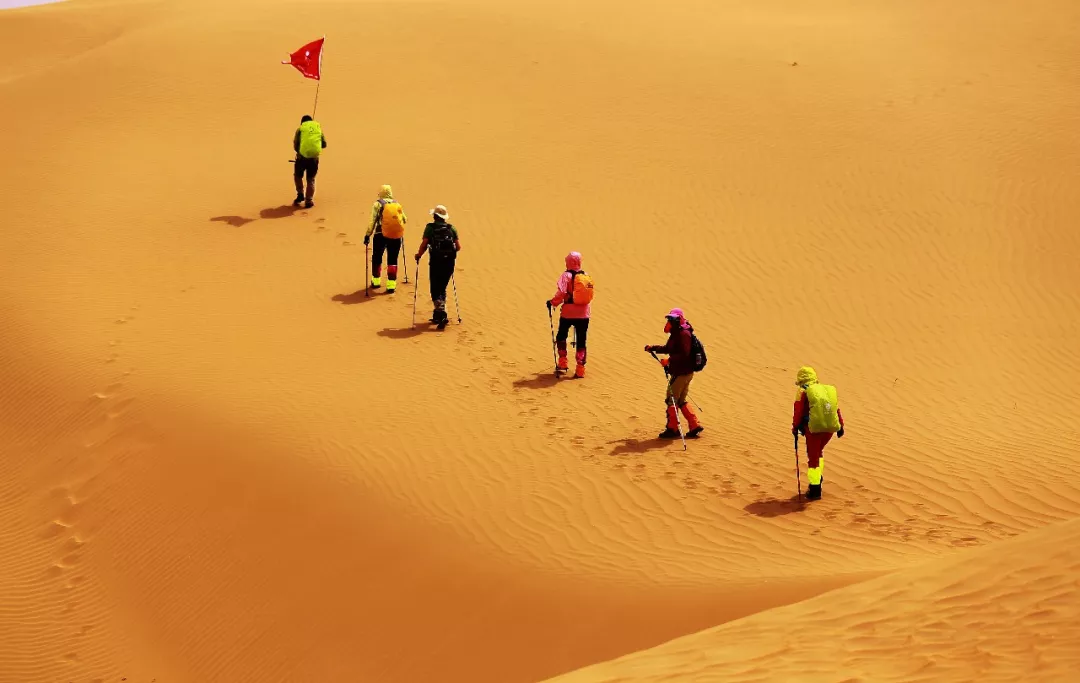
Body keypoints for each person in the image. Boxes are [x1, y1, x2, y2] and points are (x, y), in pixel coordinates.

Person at [645, 308, 703, 439]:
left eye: (672, 319)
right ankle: (694, 425)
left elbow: (684, 354)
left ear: (679, 320)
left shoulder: (683, 335)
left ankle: (672, 429)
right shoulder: (678, 333)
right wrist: (653, 348)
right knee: (681, 400)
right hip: (685, 372)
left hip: (681, 373)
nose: (670, 321)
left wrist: (669, 360)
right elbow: (669, 348)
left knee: (671, 399)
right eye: (669, 319)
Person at [792, 366, 845, 501]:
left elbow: (798, 412)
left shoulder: (803, 392)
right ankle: (818, 478)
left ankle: (815, 489)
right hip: (830, 430)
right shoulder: (825, 390)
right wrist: (841, 425)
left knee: (813, 458)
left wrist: (794, 428)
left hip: (814, 430)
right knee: (818, 452)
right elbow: (836, 409)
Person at [546, 252, 593, 379]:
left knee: (561, 336)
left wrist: (552, 303)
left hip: (568, 312)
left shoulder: (566, 275)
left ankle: (563, 362)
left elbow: (561, 293)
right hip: (584, 313)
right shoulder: (586, 276)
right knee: (581, 340)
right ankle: (580, 369)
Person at [414, 205, 460, 328]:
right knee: (442, 287)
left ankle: (441, 313)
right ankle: (438, 314)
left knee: (435, 288)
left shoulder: (430, 228)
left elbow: (424, 244)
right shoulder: (452, 228)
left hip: (435, 262)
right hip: (449, 263)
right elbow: (458, 247)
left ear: (435, 216)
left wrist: (418, 255)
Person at [363, 185, 408, 293]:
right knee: (392, 259)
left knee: (377, 257)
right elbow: (405, 219)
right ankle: (391, 285)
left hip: (380, 234)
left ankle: (376, 281)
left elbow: (372, 221)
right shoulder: (397, 204)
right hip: (396, 236)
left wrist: (367, 235)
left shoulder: (378, 204)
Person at [292, 115, 326, 208]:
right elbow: (324, 144)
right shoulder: (318, 129)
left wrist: (300, 152)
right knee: (311, 179)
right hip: (314, 159)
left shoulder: (300, 129)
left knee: (298, 176)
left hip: (301, 158)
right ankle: (309, 200)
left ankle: (300, 194)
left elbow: (295, 144)